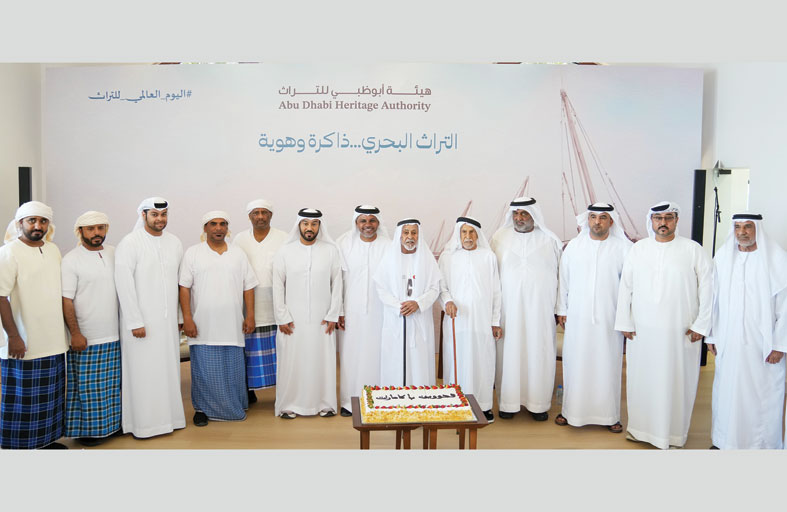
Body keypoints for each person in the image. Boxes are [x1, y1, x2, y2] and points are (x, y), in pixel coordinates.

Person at [614, 201, 712, 449]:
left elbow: (709, 289)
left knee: (676, 382)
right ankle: (640, 430)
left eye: (668, 218)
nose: (663, 223)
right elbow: (626, 287)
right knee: (642, 380)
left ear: (677, 220)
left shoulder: (693, 249)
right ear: (652, 221)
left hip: (680, 332)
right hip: (643, 332)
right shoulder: (638, 249)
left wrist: (701, 325)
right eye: (658, 218)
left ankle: (673, 435)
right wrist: (624, 321)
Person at [705, 213, 787, 449]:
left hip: (763, 345)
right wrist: (711, 335)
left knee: (761, 394)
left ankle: (759, 445)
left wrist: (780, 344)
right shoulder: (723, 258)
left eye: (748, 227)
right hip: (728, 341)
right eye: (738, 227)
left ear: (757, 229)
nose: (742, 232)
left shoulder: (777, 259)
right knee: (726, 392)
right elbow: (714, 301)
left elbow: (785, 306)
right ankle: (723, 440)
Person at [554, 203, 632, 433]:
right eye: (593, 217)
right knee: (575, 363)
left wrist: (625, 317)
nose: (597, 222)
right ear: (587, 220)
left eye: (603, 217)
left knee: (608, 365)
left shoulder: (624, 248)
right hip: (577, 317)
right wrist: (562, 309)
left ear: (611, 221)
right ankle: (570, 412)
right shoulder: (574, 247)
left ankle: (610, 416)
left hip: (610, 318)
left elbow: (629, 287)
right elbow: (563, 280)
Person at [114, 197, 186, 438]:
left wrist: (178, 316)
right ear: (143, 215)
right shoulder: (129, 243)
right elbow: (124, 285)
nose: (160, 219)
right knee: (143, 374)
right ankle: (144, 425)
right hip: (141, 324)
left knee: (167, 370)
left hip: (167, 324)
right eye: (155, 214)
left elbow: (178, 283)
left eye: (163, 214)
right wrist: (135, 321)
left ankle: (171, 420)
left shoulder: (174, 242)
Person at [179, 211, 258, 426]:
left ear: (227, 228)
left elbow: (248, 287)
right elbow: (184, 288)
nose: (218, 228)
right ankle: (201, 409)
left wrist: (250, 315)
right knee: (204, 370)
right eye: (213, 224)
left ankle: (235, 406)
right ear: (205, 228)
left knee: (232, 370)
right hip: (203, 324)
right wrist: (187, 318)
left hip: (233, 323)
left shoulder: (238, 253)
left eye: (223, 224)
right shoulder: (193, 253)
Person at [0, 201, 68, 449]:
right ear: (20, 223)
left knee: (50, 396)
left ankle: (45, 443)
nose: (37, 226)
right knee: (22, 399)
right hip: (24, 341)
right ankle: (18, 448)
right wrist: (13, 336)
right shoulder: (8, 252)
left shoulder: (53, 250)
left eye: (43, 221)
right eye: (32, 221)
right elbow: (1, 297)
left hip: (54, 339)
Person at [490, 197, 562, 421]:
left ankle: (538, 405)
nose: (519, 218)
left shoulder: (550, 240)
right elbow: (490, 276)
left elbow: (562, 277)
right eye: (516, 214)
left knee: (539, 352)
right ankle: (508, 403)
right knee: (508, 353)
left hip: (540, 310)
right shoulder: (499, 238)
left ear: (534, 215)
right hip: (508, 311)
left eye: (524, 213)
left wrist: (559, 308)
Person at [272, 208, 343, 419]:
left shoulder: (330, 251)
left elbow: (337, 284)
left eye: (313, 224)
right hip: (292, 320)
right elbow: (277, 286)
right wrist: (282, 316)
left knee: (322, 361)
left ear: (320, 226)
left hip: (323, 320)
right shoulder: (285, 251)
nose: (309, 228)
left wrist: (333, 314)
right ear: (299, 225)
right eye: (305, 224)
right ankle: (288, 405)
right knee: (291, 361)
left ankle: (325, 404)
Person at [62, 211, 122, 446]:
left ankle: (113, 428)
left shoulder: (115, 253)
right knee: (88, 389)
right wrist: (75, 333)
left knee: (112, 387)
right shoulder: (71, 260)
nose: (97, 233)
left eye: (100, 228)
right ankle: (88, 432)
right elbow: (66, 300)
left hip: (115, 333)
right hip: (87, 336)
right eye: (91, 229)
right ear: (80, 231)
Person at [438, 216, 502, 422]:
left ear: (477, 235)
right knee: (456, 361)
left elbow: (496, 291)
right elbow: (441, 287)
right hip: (457, 320)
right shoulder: (447, 257)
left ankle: (483, 405)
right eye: (464, 232)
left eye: (471, 232)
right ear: (459, 234)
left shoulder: (488, 257)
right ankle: (454, 403)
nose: (467, 236)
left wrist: (495, 321)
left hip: (482, 321)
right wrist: (447, 301)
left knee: (483, 361)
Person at [336, 205, 390, 416]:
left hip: (381, 311)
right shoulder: (344, 244)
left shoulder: (388, 246)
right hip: (351, 311)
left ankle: (378, 400)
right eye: (363, 221)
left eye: (372, 220)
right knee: (350, 356)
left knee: (378, 355)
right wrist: (339, 310)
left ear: (378, 223)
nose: (368, 225)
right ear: (356, 223)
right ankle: (350, 402)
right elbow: (338, 281)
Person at [232, 199, 288, 404]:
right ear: (249, 216)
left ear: (271, 215)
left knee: (280, 349)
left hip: (276, 302)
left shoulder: (284, 238)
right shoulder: (239, 239)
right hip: (249, 303)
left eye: (265, 212)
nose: (261, 217)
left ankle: (284, 391)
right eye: (256, 213)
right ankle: (248, 390)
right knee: (249, 350)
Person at [373, 219, 441, 386]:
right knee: (395, 360)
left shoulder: (427, 259)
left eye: (413, 232)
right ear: (400, 235)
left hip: (420, 319)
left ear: (418, 235)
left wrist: (418, 303)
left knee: (419, 361)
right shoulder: (389, 258)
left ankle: (420, 397)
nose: (410, 236)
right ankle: (394, 398)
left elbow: (435, 288)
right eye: (406, 232)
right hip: (395, 320)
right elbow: (381, 288)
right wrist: (399, 306)